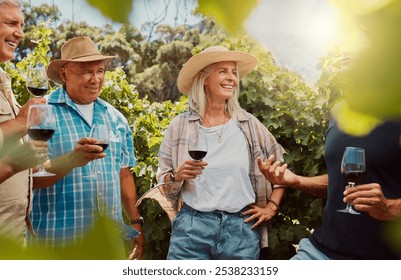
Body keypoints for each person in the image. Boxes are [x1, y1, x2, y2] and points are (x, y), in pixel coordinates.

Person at [138, 46, 286, 260]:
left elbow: (280, 166)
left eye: (234, 72)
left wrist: (271, 206)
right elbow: (163, 181)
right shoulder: (179, 126)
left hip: (241, 231)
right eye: (223, 71)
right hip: (192, 229)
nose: (231, 78)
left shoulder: (249, 125)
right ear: (204, 78)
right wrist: (178, 176)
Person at [29, 36, 144, 259]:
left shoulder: (116, 118)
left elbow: (124, 174)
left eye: (100, 71)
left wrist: (135, 221)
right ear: (65, 74)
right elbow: (31, 177)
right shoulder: (41, 112)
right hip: (56, 244)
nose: (95, 79)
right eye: (86, 72)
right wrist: (72, 160)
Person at [260, 118, 401, 259]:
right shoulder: (339, 113)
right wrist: (297, 181)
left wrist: (390, 207)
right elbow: (337, 181)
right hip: (321, 252)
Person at [0, 0, 48, 243]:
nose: (20, 33)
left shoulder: (3, 80)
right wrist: (21, 123)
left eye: (21, 25)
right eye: (10, 23)